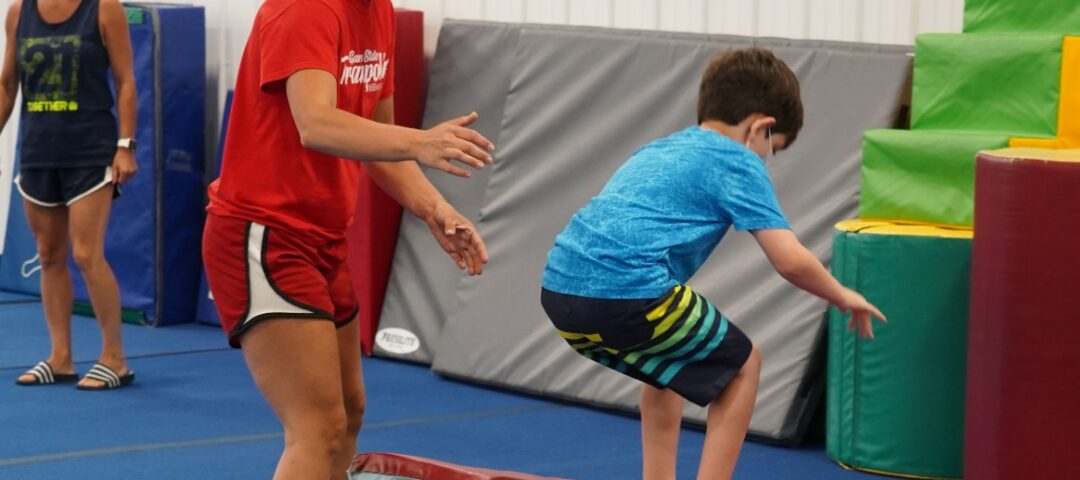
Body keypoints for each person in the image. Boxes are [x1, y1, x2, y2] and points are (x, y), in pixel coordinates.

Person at [539, 47, 886, 480]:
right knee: (744, 364)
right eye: (770, 150)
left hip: (559, 291)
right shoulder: (737, 159)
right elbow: (789, 259)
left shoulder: (659, 148)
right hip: (630, 291)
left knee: (667, 368)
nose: (764, 161)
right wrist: (842, 293)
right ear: (759, 127)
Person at [200, 0, 493, 478]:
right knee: (318, 427)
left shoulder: (377, 11)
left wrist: (433, 208)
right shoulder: (304, 10)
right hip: (265, 236)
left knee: (348, 413)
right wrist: (419, 140)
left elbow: (376, 139)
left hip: (323, 240)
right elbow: (315, 122)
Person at [1, 0, 138, 390]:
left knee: (85, 253)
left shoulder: (103, 9)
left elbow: (126, 79)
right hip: (39, 149)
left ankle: (115, 358)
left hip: (90, 149)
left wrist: (125, 145)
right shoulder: (18, 12)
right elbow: (8, 83)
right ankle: (60, 357)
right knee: (48, 254)